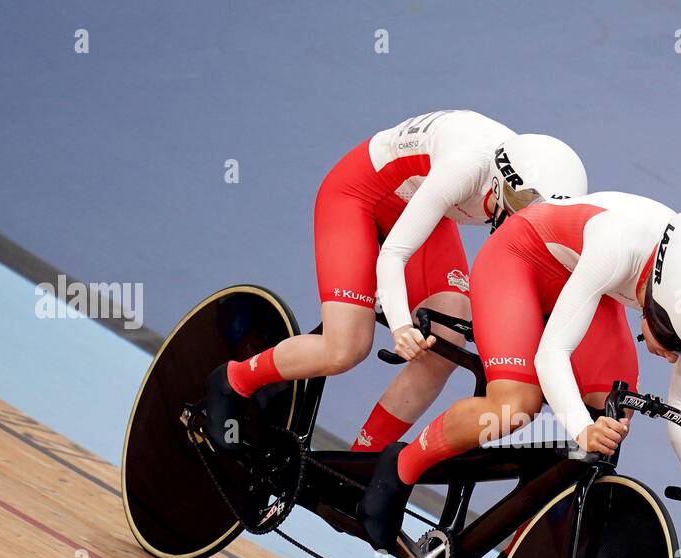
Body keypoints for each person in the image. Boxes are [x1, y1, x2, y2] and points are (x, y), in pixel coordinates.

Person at [357, 191, 681, 553]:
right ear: (654, 302)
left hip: (582, 279)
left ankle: (522, 550)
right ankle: (401, 467)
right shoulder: (619, 246)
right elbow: (552, 354)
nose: (675, 360)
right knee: (515, 406)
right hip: (520, 258)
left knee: (613, 412)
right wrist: (580, 429)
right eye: (670, 346)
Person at [203, 110, 588, 452]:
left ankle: (362, 461)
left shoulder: (526, 182)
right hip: (360, 195)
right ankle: (232, 380)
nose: (530, 221)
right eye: (524, 208)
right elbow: (394, 254)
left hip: (420, 203)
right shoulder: (465, 169)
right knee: (345, 347)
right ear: (504, 182)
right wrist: (401, 323)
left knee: (445, 342)